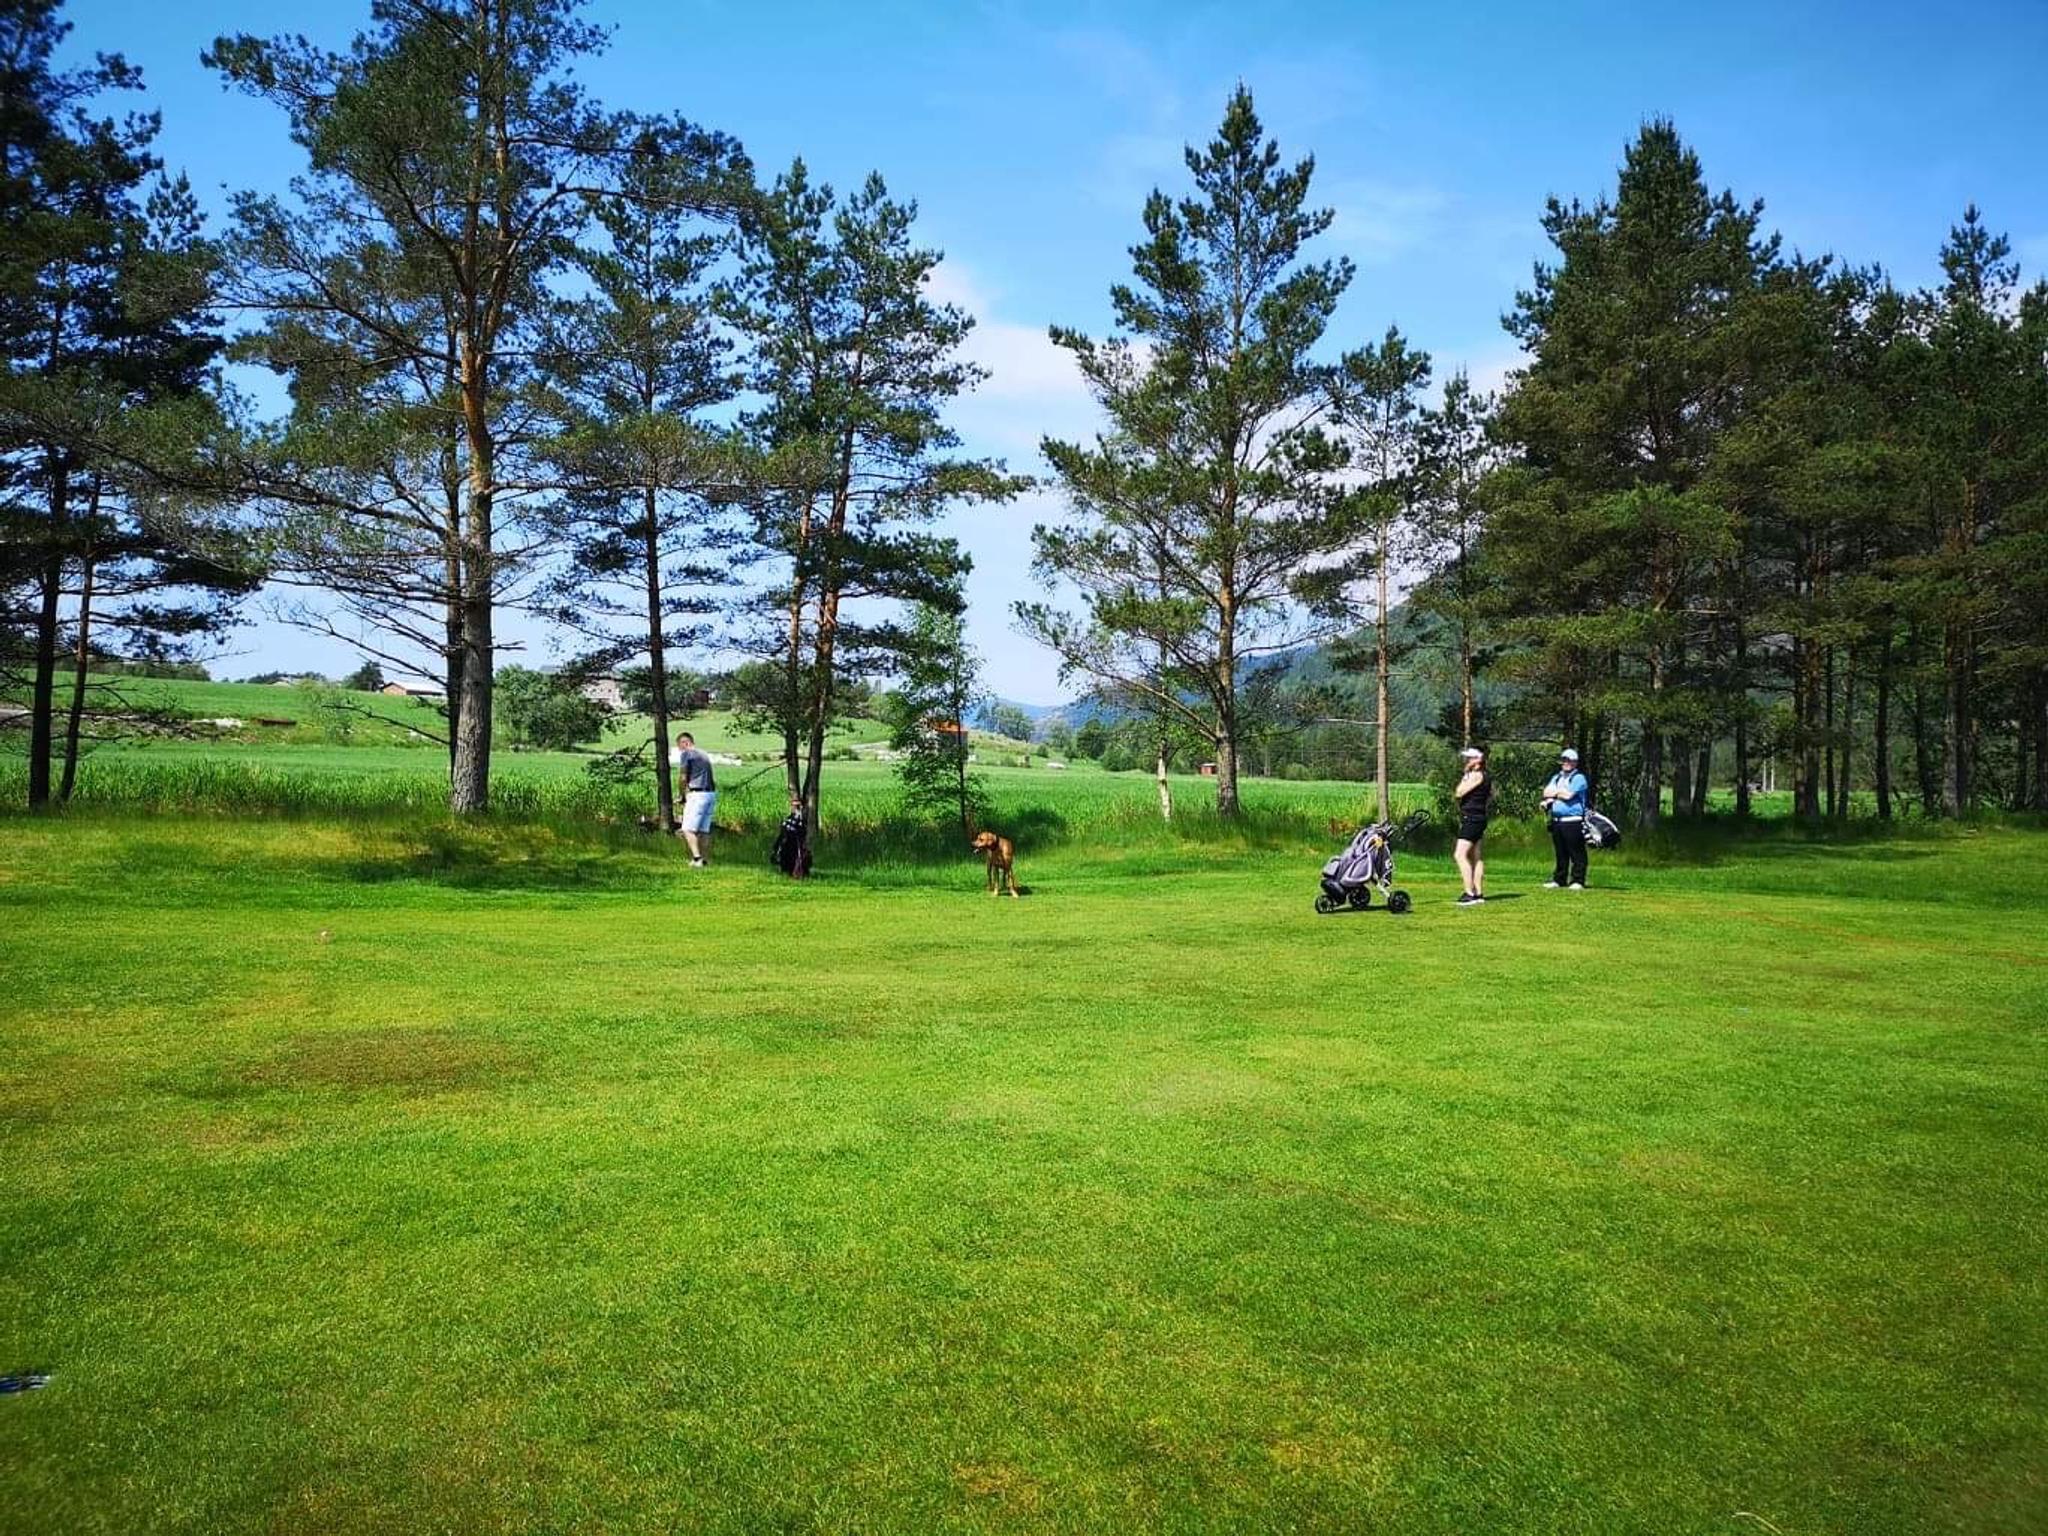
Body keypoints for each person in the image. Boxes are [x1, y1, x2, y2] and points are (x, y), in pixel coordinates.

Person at [1541, 747, 1589, 889]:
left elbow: (1569, 796)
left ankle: (1578, 880)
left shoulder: (1579, 778)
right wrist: (1557, 794)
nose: (1566, 763)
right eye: (1564, 760)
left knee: (1576, 852)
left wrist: (1554, 794)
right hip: (1557, 821)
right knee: (1560, 852)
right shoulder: (1557, 777)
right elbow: (1546, 792)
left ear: (1575, 763)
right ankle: (1559, 879)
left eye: (1569, 761)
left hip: (1573, 820)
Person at [1452, 745, 1492, 906]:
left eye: (1470, 758)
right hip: (1479, 818)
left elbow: (1459, 792)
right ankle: (1478, 892)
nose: (1466, 761)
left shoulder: (1475, 776)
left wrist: (1465, 775)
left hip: (1472, 819)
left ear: (1478, 760)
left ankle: (1469, 893)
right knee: (1476, 855)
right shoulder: (1485, 776)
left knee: (1460, 855)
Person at [672, 732, 717, 867]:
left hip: (697, 794)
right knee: (703, 830)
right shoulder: (703, 754)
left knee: (687, 829)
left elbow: (683, 777)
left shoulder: (687, 754)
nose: (680, 750)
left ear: (685, 743)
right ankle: (705, 859)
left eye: (680, 746)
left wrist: (681, 795)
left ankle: (697, 859)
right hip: (710, 793)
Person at [770, 793, 811, 879]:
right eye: (794, 805)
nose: (795, 807)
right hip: (787, 838)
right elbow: (784, 829)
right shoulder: (790, 817)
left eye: (797, 805)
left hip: (794, 840)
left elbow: (801, 830)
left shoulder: (801, 816)